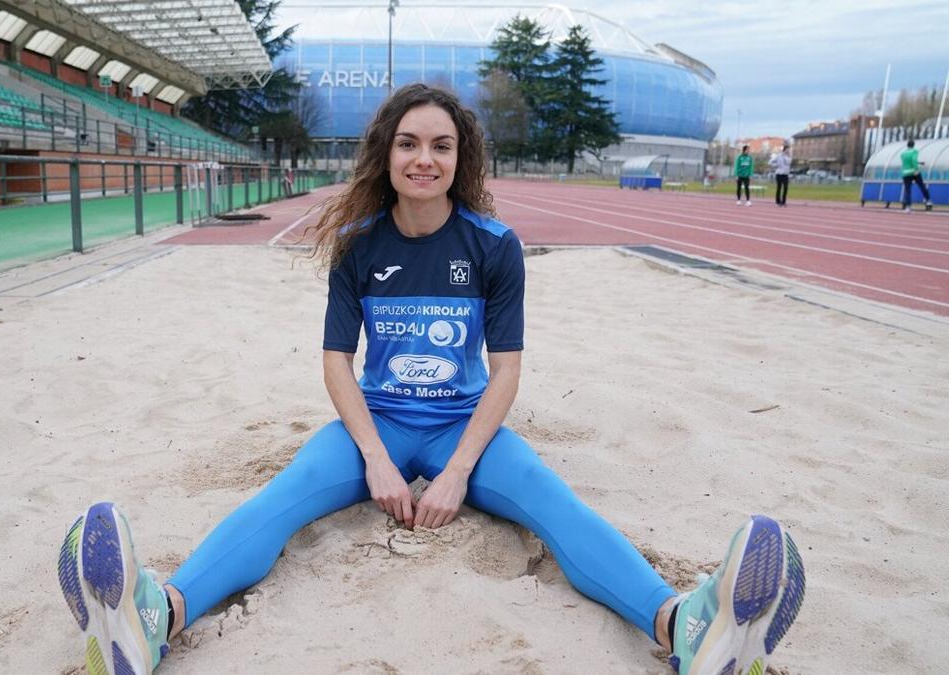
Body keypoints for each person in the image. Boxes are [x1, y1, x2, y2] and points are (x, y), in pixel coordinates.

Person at [57, 84, 806, 675]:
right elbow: (335, 362)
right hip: (374, 424)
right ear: (386, 151)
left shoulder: (493, 246)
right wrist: (376, 458)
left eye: (441, 146)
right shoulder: (358, 243)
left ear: (460, 157)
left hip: (464, 426)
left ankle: (687, 627)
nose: (425, 158)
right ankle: (158, 617)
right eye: (410, 143)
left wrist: (455, 473)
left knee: (551, 499)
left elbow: (507, 372)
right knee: (283, 496)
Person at [900, 139, 932, 213]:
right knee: (921, 186)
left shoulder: (903, 153)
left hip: (905, 173)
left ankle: (908, 207)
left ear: (907, 145)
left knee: (908, 190)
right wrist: (916, 169)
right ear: (913, 145)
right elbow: (913, 160)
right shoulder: (914, 151)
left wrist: (919, 163)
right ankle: (928, 201)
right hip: (914, 172)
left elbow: (906, 162)